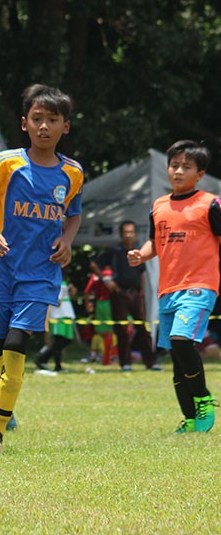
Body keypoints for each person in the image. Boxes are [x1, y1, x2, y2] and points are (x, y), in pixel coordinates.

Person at [0, 84, 83, 454]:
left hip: (41, 274)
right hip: (0, 270)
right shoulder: (5, 163)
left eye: (52, 120)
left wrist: (67, 240)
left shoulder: (73, 173)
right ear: (24, 124)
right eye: (37, 119)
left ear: (66, 126)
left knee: (16, 347)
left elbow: (74, 214)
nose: (44, 126)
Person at [128, 139, 221, 434]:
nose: (178, 171)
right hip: (168, 290)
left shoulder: (210, 204)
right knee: (177, 359)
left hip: (200, 285)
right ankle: (191, 419)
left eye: (186, 166)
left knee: (182, 340)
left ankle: (204, 397)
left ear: (200, 173)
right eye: (174, 165)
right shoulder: (159, 206)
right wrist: (141, 254)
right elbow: (155, 242)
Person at [93, 220, 160, 371]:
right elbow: (95, 264)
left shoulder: (138, 252)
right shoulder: (115, 251)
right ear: (121, 234)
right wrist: (106, 280)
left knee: (142, 328)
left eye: (131, 232)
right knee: (122, 330)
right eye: (126, 232)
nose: (129, 235)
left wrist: (142, 292)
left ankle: (151, 362)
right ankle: (126, 362)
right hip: (120, 292)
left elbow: (142, 273)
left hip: (136, 293)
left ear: (135, 234)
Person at [36, 280, 77, 373]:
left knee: (67, 339)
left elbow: (66, 298)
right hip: (57, 316)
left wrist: (70, 291)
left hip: (67, 314)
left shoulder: (64, 282)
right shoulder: (52, 281)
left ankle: (42, 359)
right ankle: (57, 365)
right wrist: (63, 293)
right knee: (59, 340)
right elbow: (57, 302)